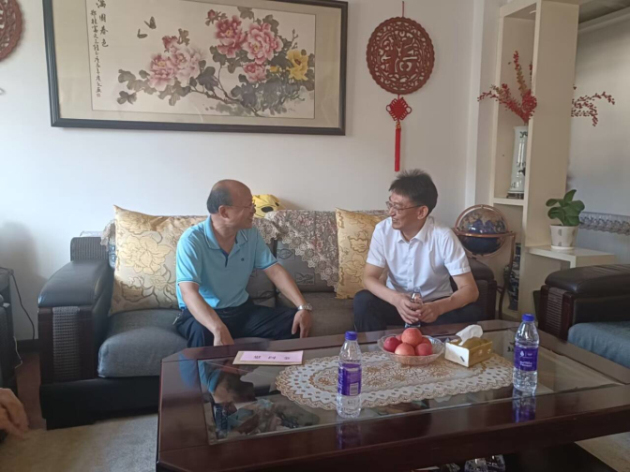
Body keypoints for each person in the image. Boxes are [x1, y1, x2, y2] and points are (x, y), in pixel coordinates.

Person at [175, 180, 313, 347]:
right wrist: (218, 328)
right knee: (202, 335)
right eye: (248, 206)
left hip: (242, 311)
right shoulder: (192, 240)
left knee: (294, 324)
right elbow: (189, 292)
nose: (253, 210)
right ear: (224, 212)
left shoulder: (250, 234)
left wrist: (302, 306)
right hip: (203, 314)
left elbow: (275, 271)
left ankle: (272, 366)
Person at [354, 169, 481, 331]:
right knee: (363, 300)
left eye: (398, 207)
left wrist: (438, 307)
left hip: (434, 307)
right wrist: (396, 299)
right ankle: (374, 348)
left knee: (471, 312)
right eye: (390, 204)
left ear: (421, 212)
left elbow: (470, 290)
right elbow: (369, 277)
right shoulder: (383, 230)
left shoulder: (443, 236)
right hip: (396, 303)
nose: (390, 212)